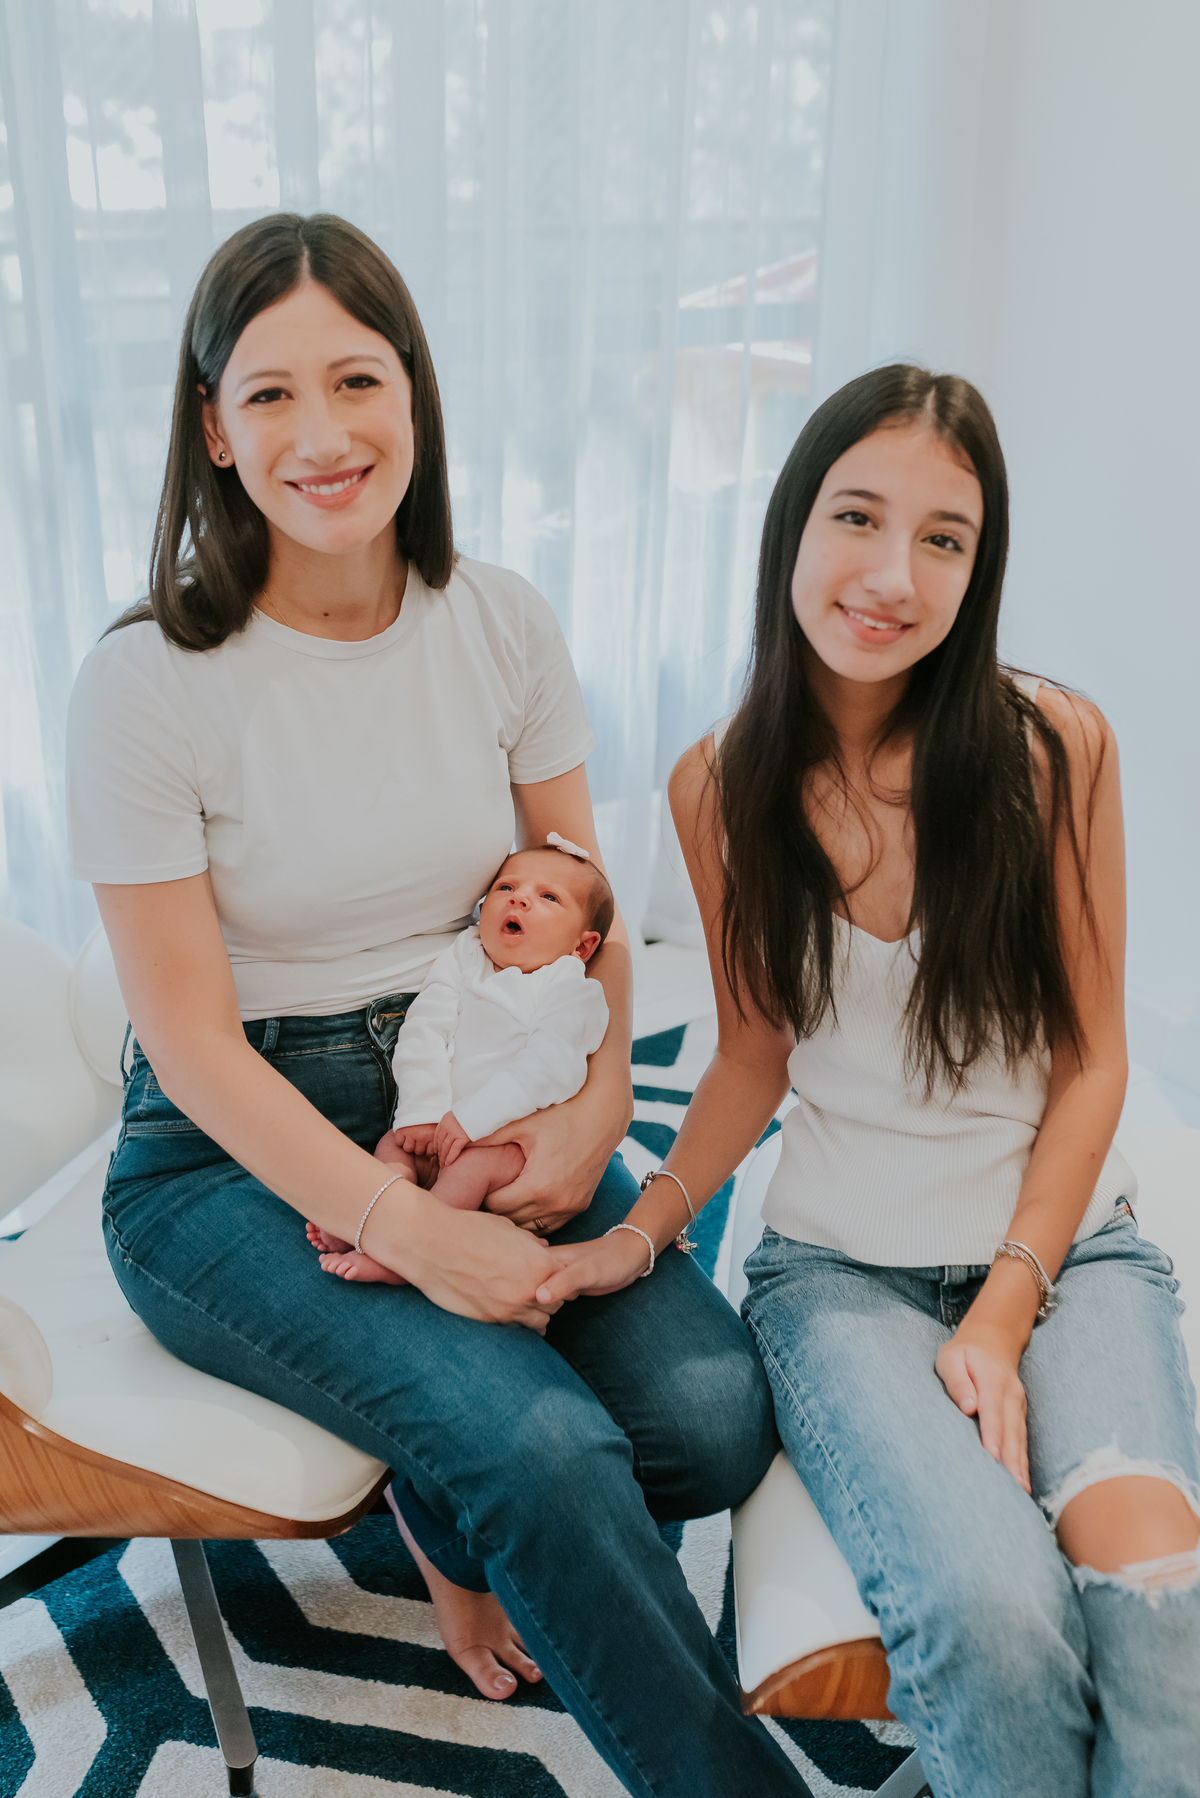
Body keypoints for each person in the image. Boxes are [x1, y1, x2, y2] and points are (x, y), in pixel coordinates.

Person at [66, 211, 811, 1797]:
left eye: (357, 379)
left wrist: (591, 1114)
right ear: (210, 426)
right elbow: (189, 1040)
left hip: (479, 1083)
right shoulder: (146, 681)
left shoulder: (500, 618)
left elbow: (591, 916)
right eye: (269, 395)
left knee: (710, 1414)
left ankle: (436, 1474)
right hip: (227, 1152)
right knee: (543, 1447)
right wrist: (411, 1234)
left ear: (415, 391)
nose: (323, 435)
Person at [540, 366, 1200, 1796]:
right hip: (841, 1275)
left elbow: (1094, 1062)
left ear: (983, 565)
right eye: (859, 515)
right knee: (990, 1616)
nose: (894, 574)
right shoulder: (718, 785)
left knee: (1163, 1606)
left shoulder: (1054, 750)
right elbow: (753, 1053)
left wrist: (1012, 1304)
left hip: (1074, 1255)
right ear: (792, 525)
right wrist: (637, 1232)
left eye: (946, 539)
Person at [309, 839, 612, 1283]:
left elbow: (552, 1067)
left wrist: (474, 1120)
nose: (520, 897)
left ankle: (411, 1254)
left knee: (471, 1169)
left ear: (582, 946)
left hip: (506, 1141)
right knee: (394, 1147)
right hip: (440, 1125)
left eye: (548, 897)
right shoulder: (465, 956)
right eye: (507, 886)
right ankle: (366, 1219)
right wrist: (423, 1112)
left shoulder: (570, 989)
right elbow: (423, 1028)